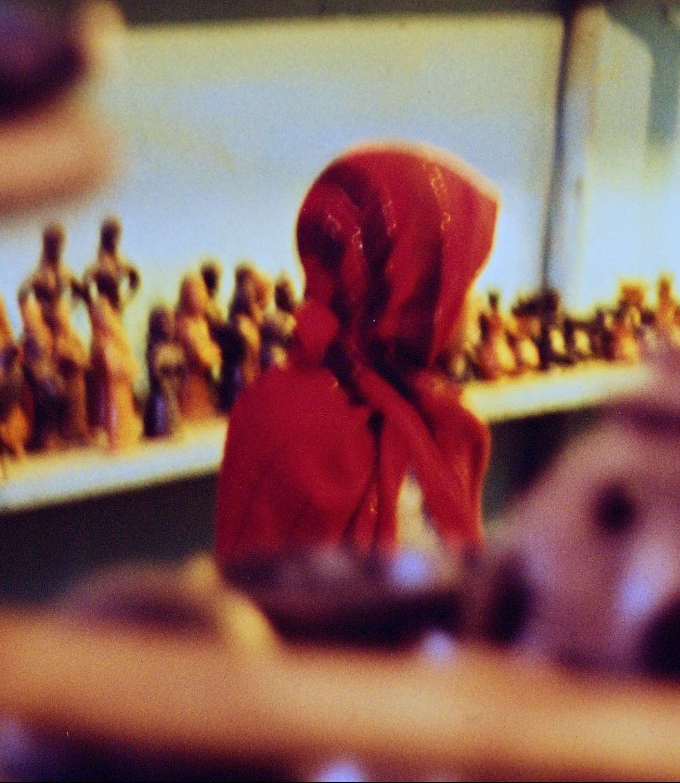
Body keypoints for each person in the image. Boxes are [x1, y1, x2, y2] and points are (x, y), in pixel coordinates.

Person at [214, 143, 499, 568]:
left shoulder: (440, 419)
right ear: (411, 287)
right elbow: (258, 599)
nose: (478, 305)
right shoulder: (283, 421)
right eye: (466, 281)